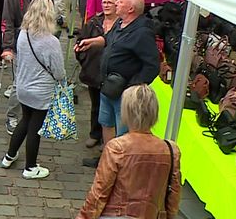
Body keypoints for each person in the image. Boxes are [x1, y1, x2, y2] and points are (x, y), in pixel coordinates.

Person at [75, 0, 160, 167]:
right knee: (106, 123)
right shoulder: (120, 22)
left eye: (120, 2)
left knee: (122, 130)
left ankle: (120, 164)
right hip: (107, 86)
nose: (116, 4)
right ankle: (108, 158)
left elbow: (152, 66)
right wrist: (92, 42)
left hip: (124, 93)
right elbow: (108, 39)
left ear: (130, 9)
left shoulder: (142, 33)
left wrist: (132, 87)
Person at [77, 84, 182, 219]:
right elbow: (173, 194)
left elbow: (99, 194)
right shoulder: (171, 150)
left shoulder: (117, 147)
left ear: (126, 111)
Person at [0, 0, 65, 179]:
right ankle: (30, 167)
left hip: (23, 87)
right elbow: (59, 72)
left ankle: (9, 156)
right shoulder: (51, 42)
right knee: (35, 128)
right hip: (41, 92)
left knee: (25, 121)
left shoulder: (23, 34)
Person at [1, 0, 54, 135]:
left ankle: (35, 114)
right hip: (20, 45)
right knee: (19, 83)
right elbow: (7, 22)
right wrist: (7, 47)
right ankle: (12, 116)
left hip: (42, 45)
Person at [75, 0, 121, 149]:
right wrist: (84, 59)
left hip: (113, 74)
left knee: (111, 107)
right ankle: (95, 134)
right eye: (104, 2)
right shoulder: (93, 22)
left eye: (110, 2)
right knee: (96, 105)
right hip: (94, 71)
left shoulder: (121, 25)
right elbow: (80, 41)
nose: (106, 5)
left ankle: (108, 137)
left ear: (117, 4)